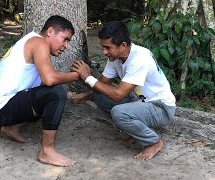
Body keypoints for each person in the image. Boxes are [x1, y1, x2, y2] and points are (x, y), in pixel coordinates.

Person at [71, 21, 176, 161]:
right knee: (99, 97)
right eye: (103, 47)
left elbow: (118, 94)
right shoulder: (115, 57)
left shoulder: (139, 59)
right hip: (139, 102)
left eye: (108, 48)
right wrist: (86, 84)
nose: (104, 52)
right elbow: (101, 84)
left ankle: (153, 142)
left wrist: (88, 77)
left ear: (124, 45)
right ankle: (135, 132)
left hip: (161, 108)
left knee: (119, 113)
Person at [0, 15, 79, 167]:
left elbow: (43, 83)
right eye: (65, 39)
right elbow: (50, 80)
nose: (66, 46)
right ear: (50, 31)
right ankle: (46, 151)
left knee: (54, 92)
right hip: (2, 108)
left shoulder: (33, 42)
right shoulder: (39, 42)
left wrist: (72, 97)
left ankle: (10, 127)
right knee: (56, 92)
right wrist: (79, 75)